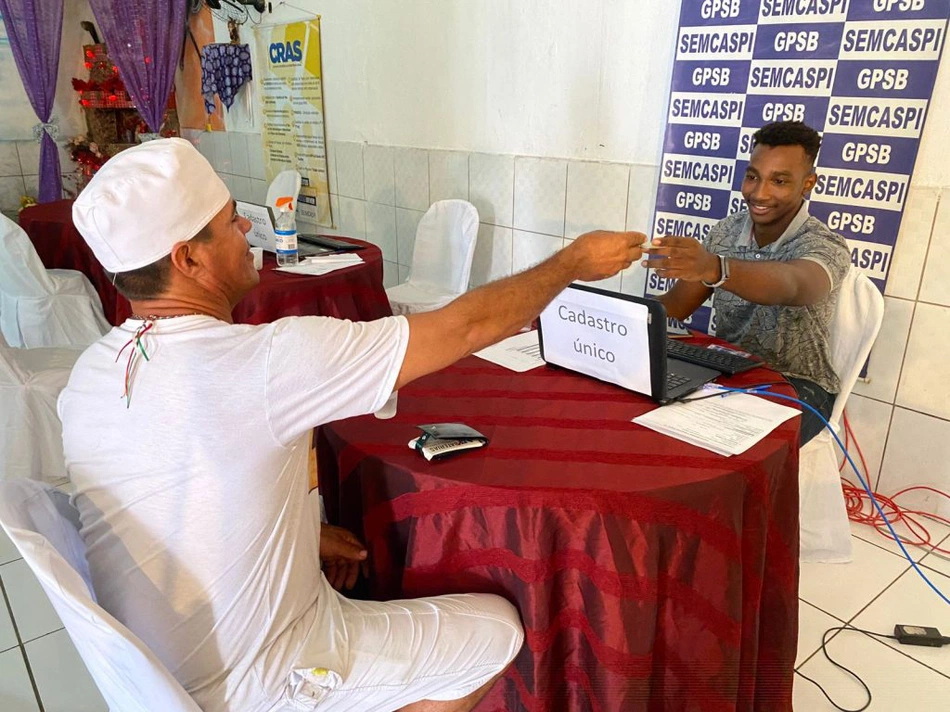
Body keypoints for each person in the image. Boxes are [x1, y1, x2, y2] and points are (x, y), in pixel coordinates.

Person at [59, 138, 646, 712]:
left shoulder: (88, 373)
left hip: (152, 681)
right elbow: (464, 329)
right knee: (494, 632)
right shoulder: (264, 363)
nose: (247, 233)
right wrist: (571, 262)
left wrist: (303, 537)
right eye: (233, 221)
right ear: (188, 258)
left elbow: (171, 491)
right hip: (251, 680)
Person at [646, 121, 851, 445]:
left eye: (779, 181)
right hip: (729, 370)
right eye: (753, 176)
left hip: (802, 386)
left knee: (715, 443)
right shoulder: (725, 232)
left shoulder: (824, 244)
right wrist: (616, 315)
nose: (759, 193)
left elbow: (793, 285)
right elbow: (677, 305)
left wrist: (715, 267)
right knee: (649, 414)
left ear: (808, 183)